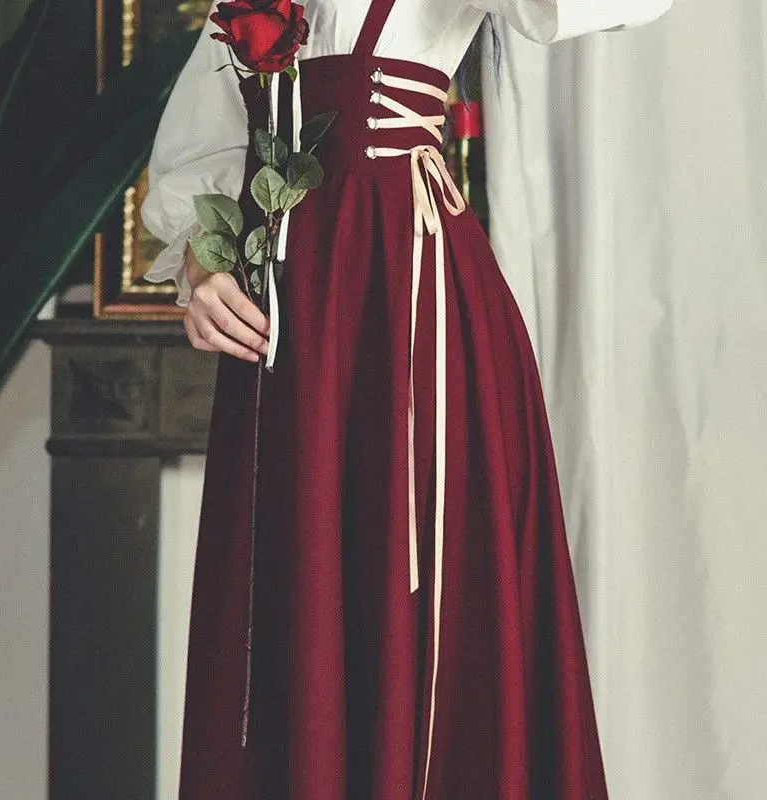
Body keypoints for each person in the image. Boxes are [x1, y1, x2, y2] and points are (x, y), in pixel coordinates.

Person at [141, 1, 672, 798]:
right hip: (289, 327)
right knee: (289, 597)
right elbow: (202, 149)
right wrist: (202, 268)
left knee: (419, 583)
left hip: (407, 299)